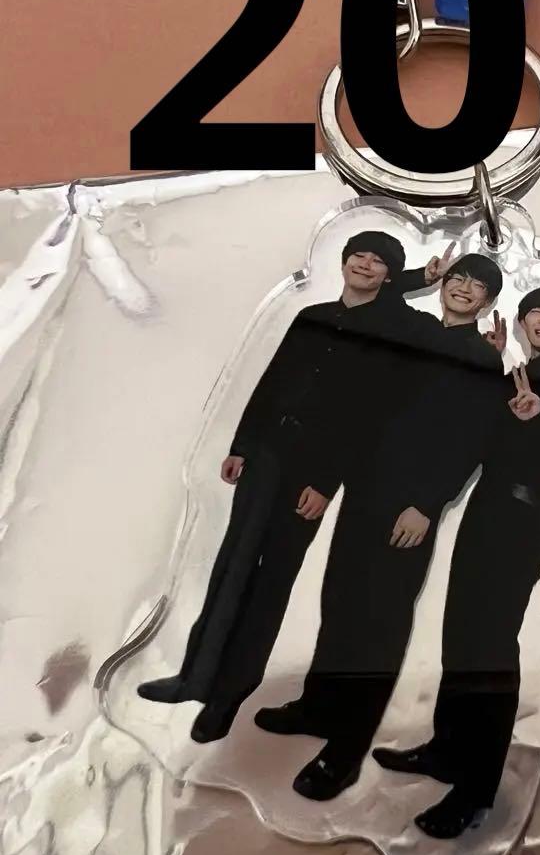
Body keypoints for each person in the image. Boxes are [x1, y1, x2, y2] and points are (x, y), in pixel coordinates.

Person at [136, 231, 419, 743]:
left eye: (378, 261)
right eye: (358, 255)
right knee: (232, 565)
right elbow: (272, 380)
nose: (364, 264)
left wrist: (326, 483)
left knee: (272, 580)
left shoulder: (388, 332)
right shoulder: (310, 316)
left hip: (313, 471)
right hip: (267, 455)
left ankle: (228, 696)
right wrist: (242, 444)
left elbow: (367, 416)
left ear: (390, 276)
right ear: (343, 261)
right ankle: (194, 676)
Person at [253, 254, 510, 802]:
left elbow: (469, 442)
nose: (464, 288)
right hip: (364, 488)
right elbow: (365, 392)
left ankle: (345, 753)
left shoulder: (481, 359)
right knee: (339, 601)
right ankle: (317, 708)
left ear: (488, 302)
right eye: (458, 278)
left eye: (477, 286)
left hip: (409, 507)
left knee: (379, 622)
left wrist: (427, 505)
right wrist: (422, 276)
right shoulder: (411, 330)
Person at [373, 284, 540, 838]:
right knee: (461, 635)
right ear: (522, 324)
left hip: (522, 519)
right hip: (485, 513)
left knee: (490, 648)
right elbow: (472, 435)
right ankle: (446, 751)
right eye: (535, 312)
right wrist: (487, 365)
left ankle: (476, 789)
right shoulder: (517, 375)